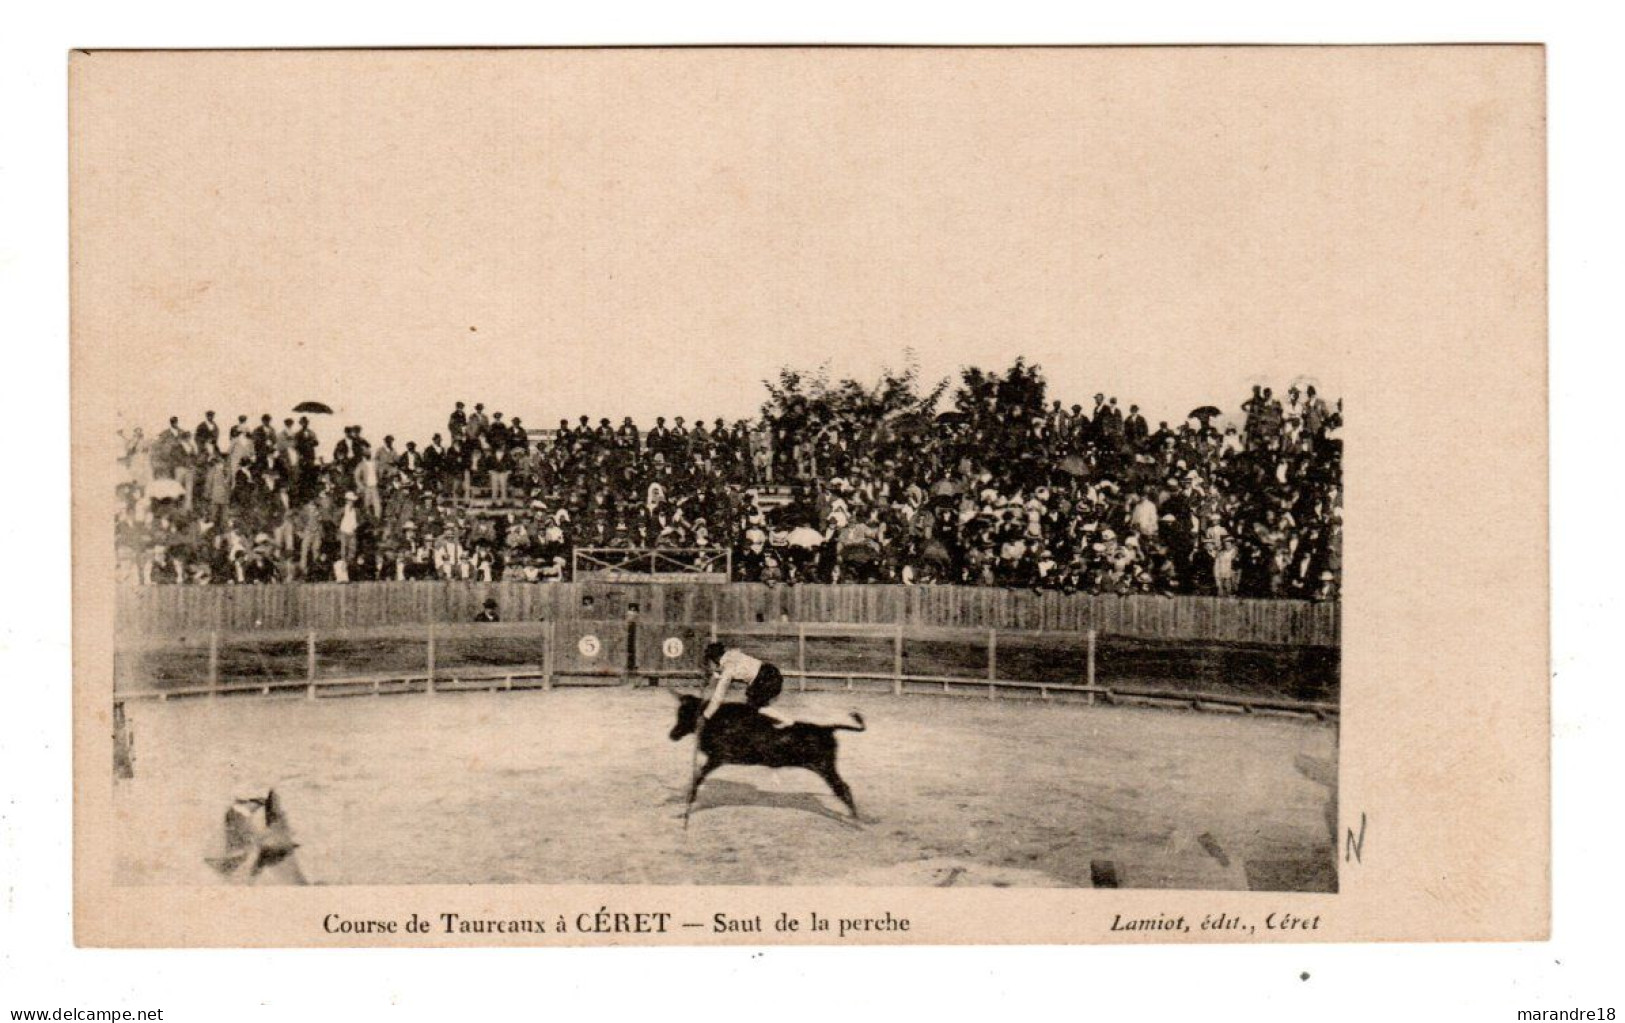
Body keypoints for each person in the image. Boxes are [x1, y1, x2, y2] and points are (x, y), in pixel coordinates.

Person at [701, 641, 793, 728]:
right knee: (755, 707)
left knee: (756, 708)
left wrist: (707, 715)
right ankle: (781, 722)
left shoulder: (728, 669)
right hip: (770, 671)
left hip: (764, 679)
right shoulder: (732, 654)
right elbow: (737, 667)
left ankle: (787, 722)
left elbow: (719, 696)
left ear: (714, 659)